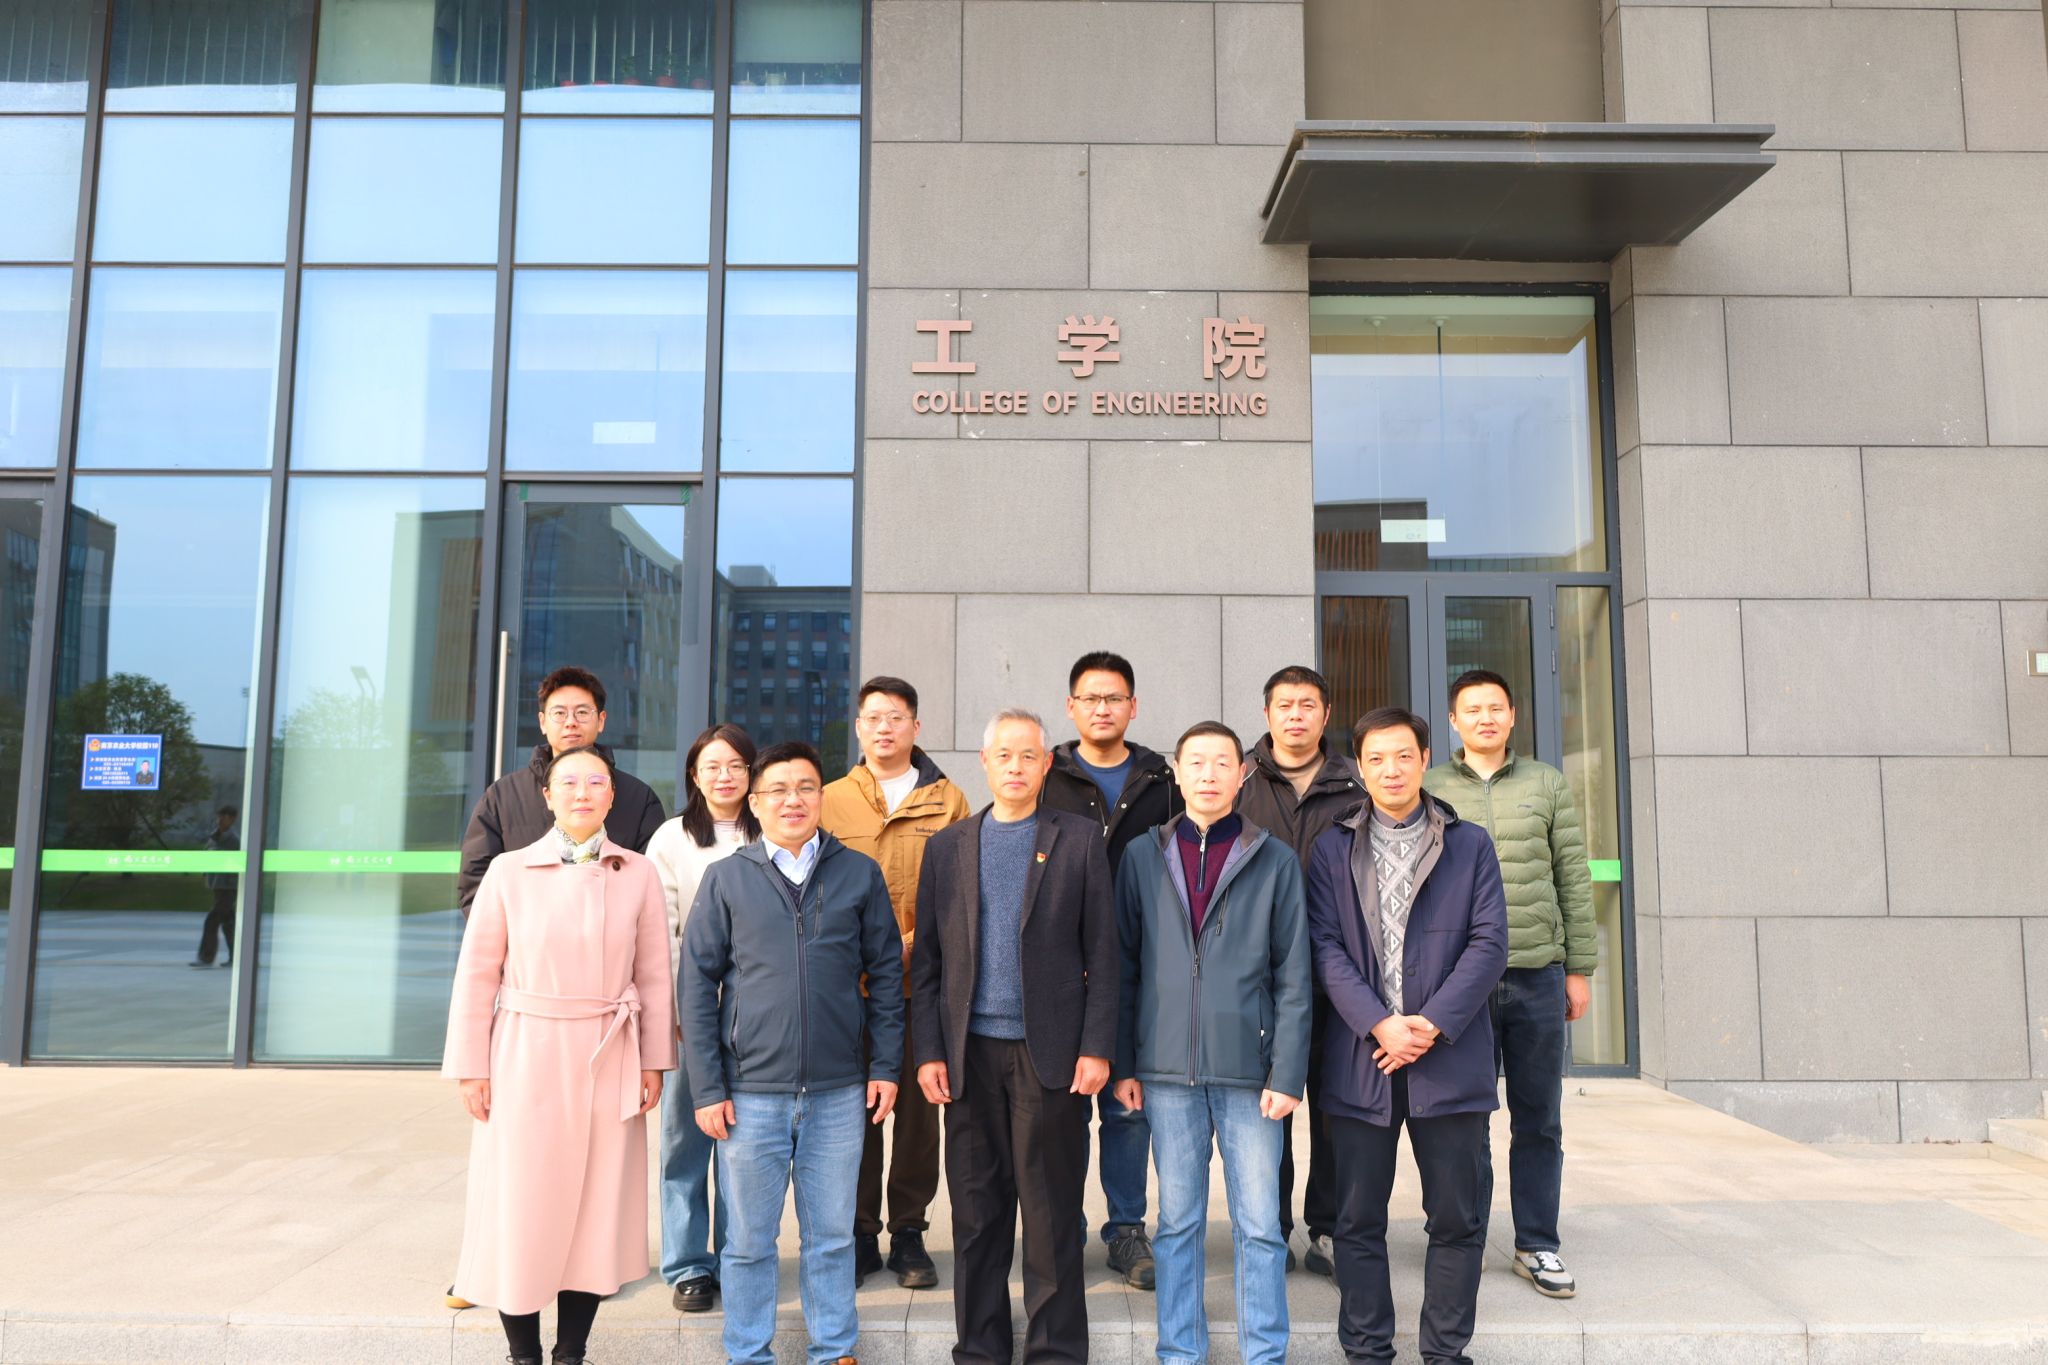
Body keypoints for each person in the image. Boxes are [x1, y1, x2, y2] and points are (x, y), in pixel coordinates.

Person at [443, 745, 676, 1365]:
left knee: (596, 1210)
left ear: (612, 796)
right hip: (525, 1052)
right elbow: (477, 975)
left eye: (596, 782)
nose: (582, 792)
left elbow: (655, 975)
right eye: (568, 782)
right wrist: (471, 1067)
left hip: (609, 1053)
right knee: (520, 1204)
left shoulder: (638, 872)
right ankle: (523, 1354)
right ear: (547, 796)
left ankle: (572, 1352)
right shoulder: (508, 871)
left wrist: (653, 1061)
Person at [680, 740, 904, 1365]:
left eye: (805, 787)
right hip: (749, 1093)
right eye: (777, 790)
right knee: (749, 1241)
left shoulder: (858, 873)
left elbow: (888, 976)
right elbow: (695, 985)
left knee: (831, 1237)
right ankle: (748, 1353)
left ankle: (833, 1349)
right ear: (755, 802)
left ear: (821, 797)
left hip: (838, 1090)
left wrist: (886, 1066)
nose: (792, 800)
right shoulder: (727, 878)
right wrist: (708, 1087)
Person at [911, 709, 1117, 1365]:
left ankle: (1056, 1352)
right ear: (985, 761)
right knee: (976, 1215)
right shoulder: (948, 846)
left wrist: (1097, 1045)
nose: (1016, 766)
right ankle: (980, 1350)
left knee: (1050, 1215)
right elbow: (928, 963)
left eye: (1029, 755)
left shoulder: (1078, 839)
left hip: (1048, 1054)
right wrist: (930, 1051)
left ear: (1046, 763)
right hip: (967, 1056)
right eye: (1004, 755)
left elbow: (1105, 953)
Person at [1307, 708, 1508, 1365]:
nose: (1390, 769)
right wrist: (1380, 1022)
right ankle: (1367, 1350)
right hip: (1362, 1058)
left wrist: (1431, 1023)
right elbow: (1324, 947)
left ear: (1425, 759)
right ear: (1359, 769)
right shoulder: (1333, 848)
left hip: (1448, 1058)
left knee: (1456, 1217)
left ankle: (1445, 1352)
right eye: (1376, 759)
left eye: (1403, 756)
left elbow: (1490, 943)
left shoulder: (1470, 844)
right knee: (1356, 1218)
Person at [1112, 721, 1311, 1365]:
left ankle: (1264, 1355)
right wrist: (1125, 1063)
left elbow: (1295, 975)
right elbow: (1123, 967)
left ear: (1242, 774)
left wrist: (1287, 1073)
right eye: (1195, 762)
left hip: (1251, 1074)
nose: (1208, 774)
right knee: (1177, 1223)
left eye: (1221, 762)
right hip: (1166, 1072)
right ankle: (1180, 1351)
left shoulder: (1273, 859)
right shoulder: (1143, 855)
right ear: (1176, 770)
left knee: (1260, 1226)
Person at [1422, 669, 1594, 1299]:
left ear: (1513, 716)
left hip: (1536, 973)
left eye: (1496, 707)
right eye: (1472, 709)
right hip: (1459, 983)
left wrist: (1579, 967)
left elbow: (1571, 874)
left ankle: (1536, 1243)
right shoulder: (1431, 785)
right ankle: (1463, 1236)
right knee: (1465, 1119)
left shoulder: (1546, 782)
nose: (1485, 718)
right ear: (1453, 721)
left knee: (1538, 1117)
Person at [820, 676, 972, 1290]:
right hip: (845, 988)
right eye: (874, 717)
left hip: (919, 985)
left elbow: (959, 893)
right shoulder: (829, 799)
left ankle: (909, 1230)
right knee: (851, 1113)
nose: (885, 727)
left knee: (916, 1116)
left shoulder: (948, 800)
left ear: (916, 727)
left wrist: (906, 946)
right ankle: (859, 1231)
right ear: (859, 728)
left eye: (897, 717)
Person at [1039, 650, 1180, 1289]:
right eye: (1091, 698)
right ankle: (1062, 1227)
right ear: (1071, 706)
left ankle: (1126, 1228)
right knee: (1064, 1107)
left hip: (1139, 969)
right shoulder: (1048, 777)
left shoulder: (1163, 781)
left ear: (1133, 706)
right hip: (1060, 969)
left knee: (1129, 1106)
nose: (1103, 708)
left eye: (1114, 698)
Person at [1234, 664, 1364, 1276]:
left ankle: (1329, 1229)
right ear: (1267, 713)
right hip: (1261, 978)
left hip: (1339, 977)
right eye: (1284, 704)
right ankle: (1272, 1229)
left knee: (1337, 1111)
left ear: (1325, 714)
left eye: (1307, 704)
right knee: (1271, 1110)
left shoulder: (1355, 784)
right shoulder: (1240, 780)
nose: (1295, 715)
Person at [645, 724, 762, 1315]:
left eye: (737, 765)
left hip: (758, 1016)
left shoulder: (772, 830)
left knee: (744, 1145)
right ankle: (689, 1264)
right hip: (693, 1015)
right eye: (713, 766)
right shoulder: (672, 839)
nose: (725, 776)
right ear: (694, 774)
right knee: (685, 1143)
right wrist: (678, 1010)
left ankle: (738, 1256)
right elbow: (659, 932)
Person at [458, 665, 667, 917]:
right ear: (542, 722)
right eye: (559, 713)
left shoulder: (638, 799)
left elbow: (652, 886)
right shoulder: (502, 797)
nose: (570, 722)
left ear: (601, 720)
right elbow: (476, 883)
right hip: (527, 941)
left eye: (582, 712)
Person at [190, 805, 239, 968]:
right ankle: (238, 957)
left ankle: (206, 957)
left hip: (228, 887)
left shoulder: (234, 840)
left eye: (225, 817)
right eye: (219, 816)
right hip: (217, 885)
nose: (220, 820)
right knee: (229, 924)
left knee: (212, 920)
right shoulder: (214, 837)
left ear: (232, 819)